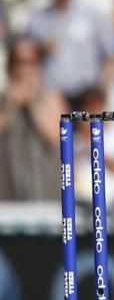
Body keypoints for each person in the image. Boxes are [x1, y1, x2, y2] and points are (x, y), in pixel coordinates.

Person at [28, 0, 114, 109]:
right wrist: (40, 50)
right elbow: (26, 59)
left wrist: (103, 93)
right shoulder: (38, 19)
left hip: (88, 96)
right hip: (52, 98)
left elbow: (111, 55)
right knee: (61, 133)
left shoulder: (93, 15)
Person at [0, 37, 66, 200]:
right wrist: (11, 105)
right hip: (8, 194)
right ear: (10, 66)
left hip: (45, 194)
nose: (25, 69)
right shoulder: (3, 100)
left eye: (32, 62)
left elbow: (56, 139)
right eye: (19, 62)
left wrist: (34, 102)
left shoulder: (52, 98)